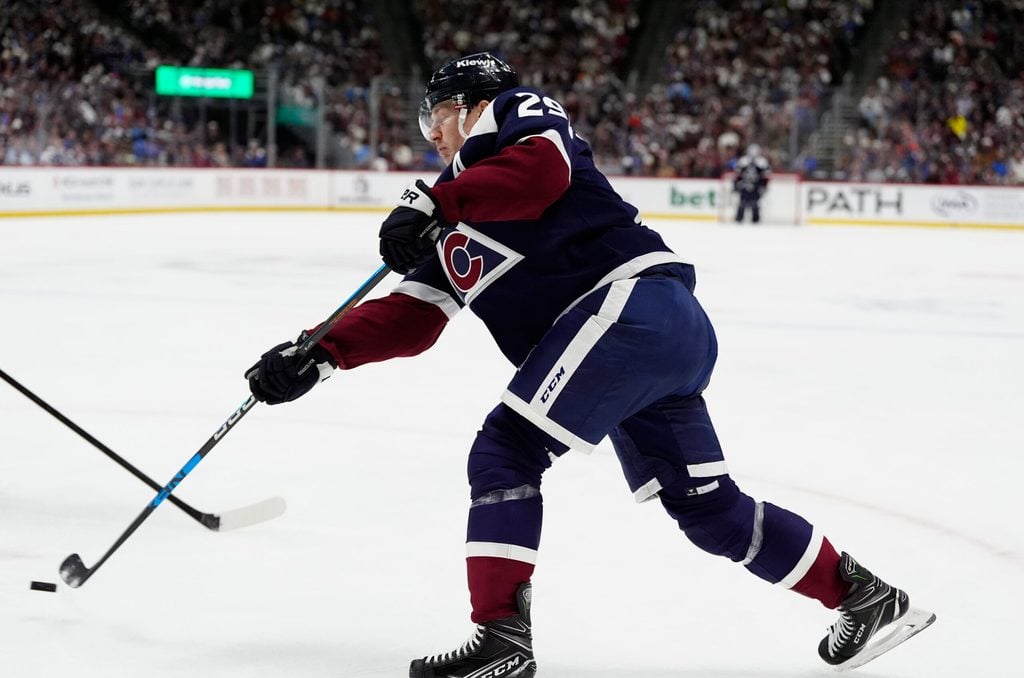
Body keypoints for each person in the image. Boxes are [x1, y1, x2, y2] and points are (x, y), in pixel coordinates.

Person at [245, 53, 934, 677]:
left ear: (470, 104)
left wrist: (438, 199)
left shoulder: (515, 114)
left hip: (630, 310)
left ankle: (502, 643)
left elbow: (542, 174)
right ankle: (865, 597)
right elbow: (414, 315)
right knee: (708, 510)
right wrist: (318, 353)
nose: (432, 134)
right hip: (653, 338)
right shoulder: (459, 216)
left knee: (505, 451)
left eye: (439, 114)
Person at [733, 144, 771, 224]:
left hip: (756, 185)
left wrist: (764, 186)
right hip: (744, 184)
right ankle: (739, 218)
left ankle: (755, 219)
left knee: (755, 202)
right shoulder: (743, 161)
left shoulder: (762, 162)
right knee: (742, 202)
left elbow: (766, 176)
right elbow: (737, 175)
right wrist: (736, 184)